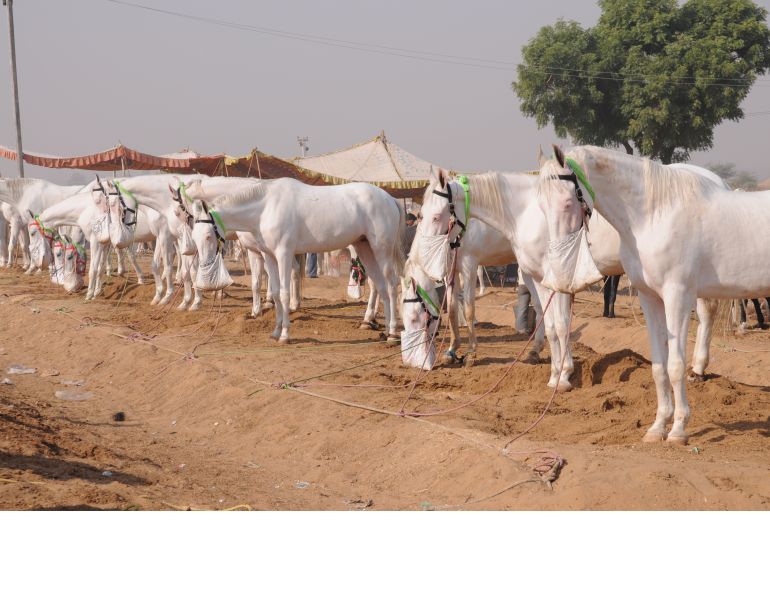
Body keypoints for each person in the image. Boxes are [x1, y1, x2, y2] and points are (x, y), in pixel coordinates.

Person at [514, 268, 533, 334]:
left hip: (521, 284)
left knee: (521, 309)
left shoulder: (521, 264)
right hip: (533, 284)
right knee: (539, 307)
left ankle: (520, 329)